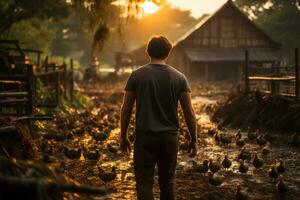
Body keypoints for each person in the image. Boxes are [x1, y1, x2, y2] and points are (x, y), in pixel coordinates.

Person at [120, 36, 197, 200]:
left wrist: (123, 136)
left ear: (148, 52)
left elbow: (126, 109)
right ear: (168, 53)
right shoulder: (179, 77)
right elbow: (188, 111)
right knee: (167, 183)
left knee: (144, 183)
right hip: (169, 138)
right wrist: (194, 138)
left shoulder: (136, 75)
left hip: (145, 137)